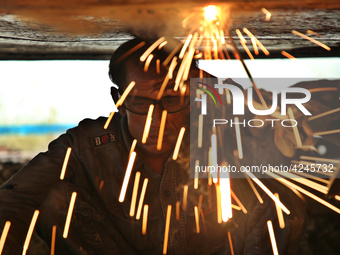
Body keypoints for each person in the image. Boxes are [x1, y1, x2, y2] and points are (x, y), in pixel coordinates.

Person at [0, 36, 312, 255]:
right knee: (52, 198)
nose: (157, 118)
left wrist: (288, 150)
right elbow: (14, 201)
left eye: (170, 101)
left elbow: (283, 172)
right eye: (141, 103)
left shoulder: (218, 133)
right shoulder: (86, 145)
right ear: (118, 102)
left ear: (190, 99)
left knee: (279, 194)